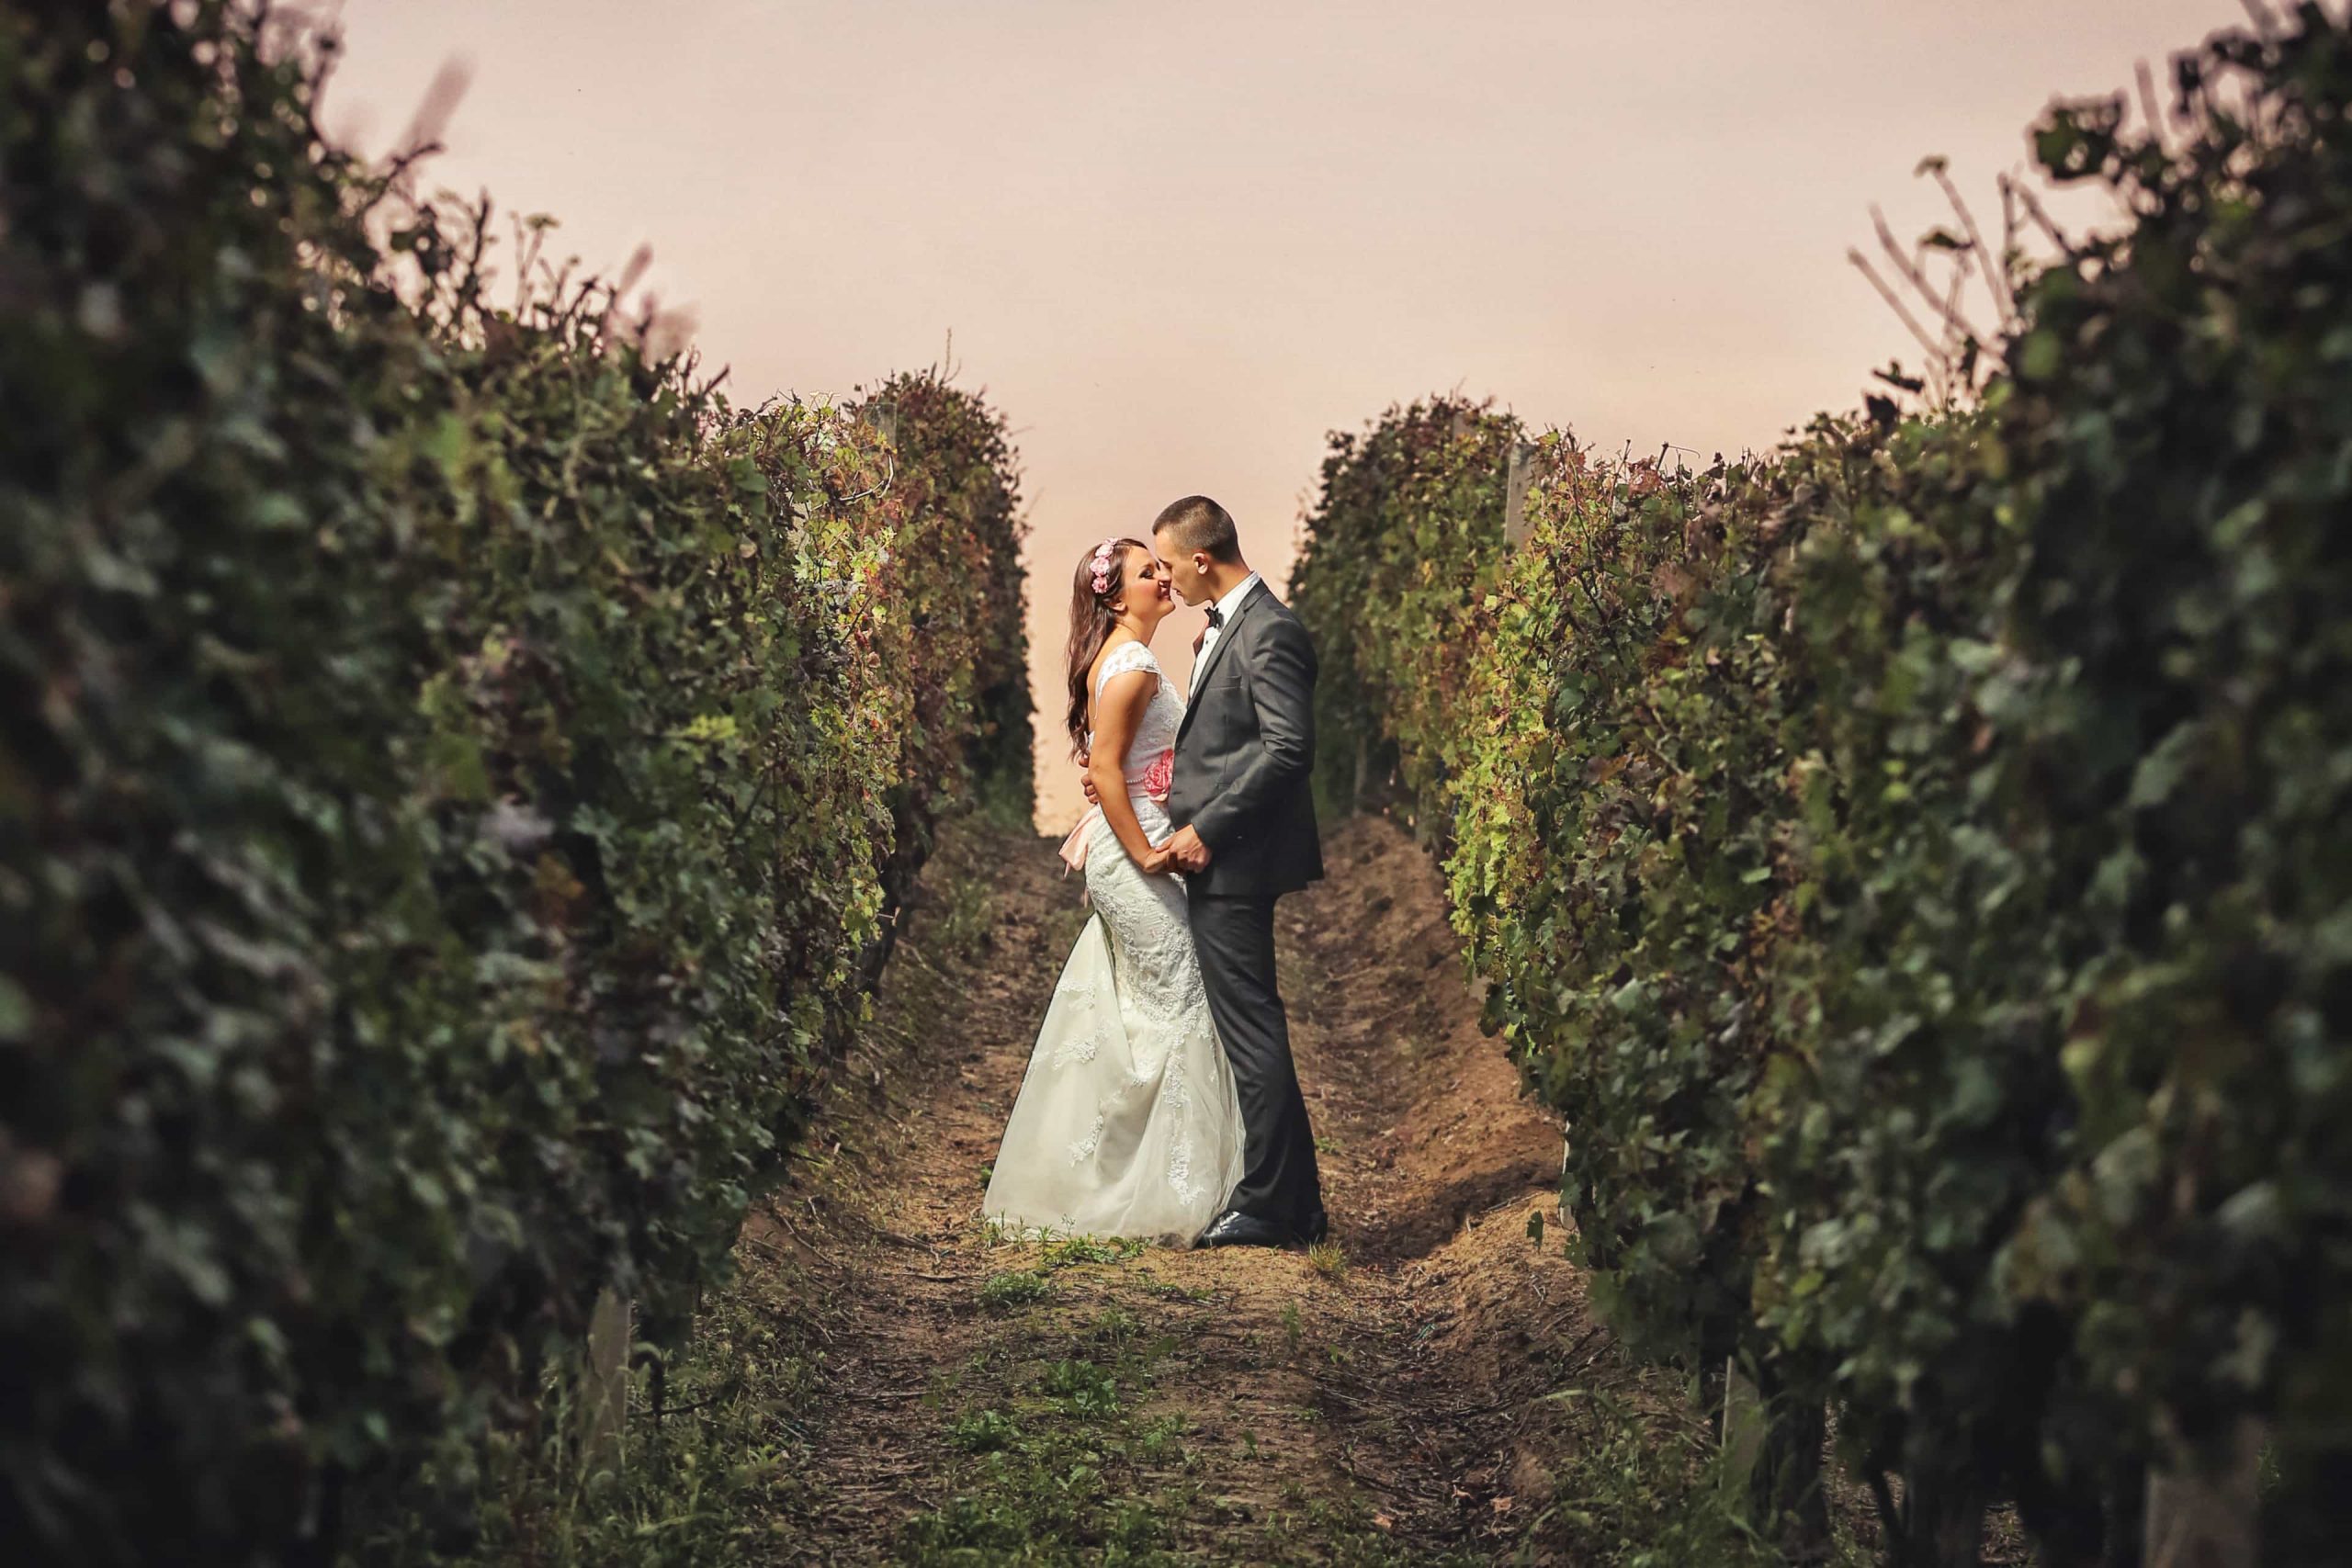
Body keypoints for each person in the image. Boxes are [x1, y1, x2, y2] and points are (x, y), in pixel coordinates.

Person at [980, 537, 1247, 1245]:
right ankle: (1172, 1187)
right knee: (1184, 993)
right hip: (1133, 855)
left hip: (1138, 845)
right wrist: (1147, 853)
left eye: (1160, 566)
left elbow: (1122, 767)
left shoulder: (1129, 659)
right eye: (1145, 572)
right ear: (1115, 596)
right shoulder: (1130, 667)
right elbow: (1105, 770)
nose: (1162, 576)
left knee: (1153, 1003)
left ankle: (1142, 1169)